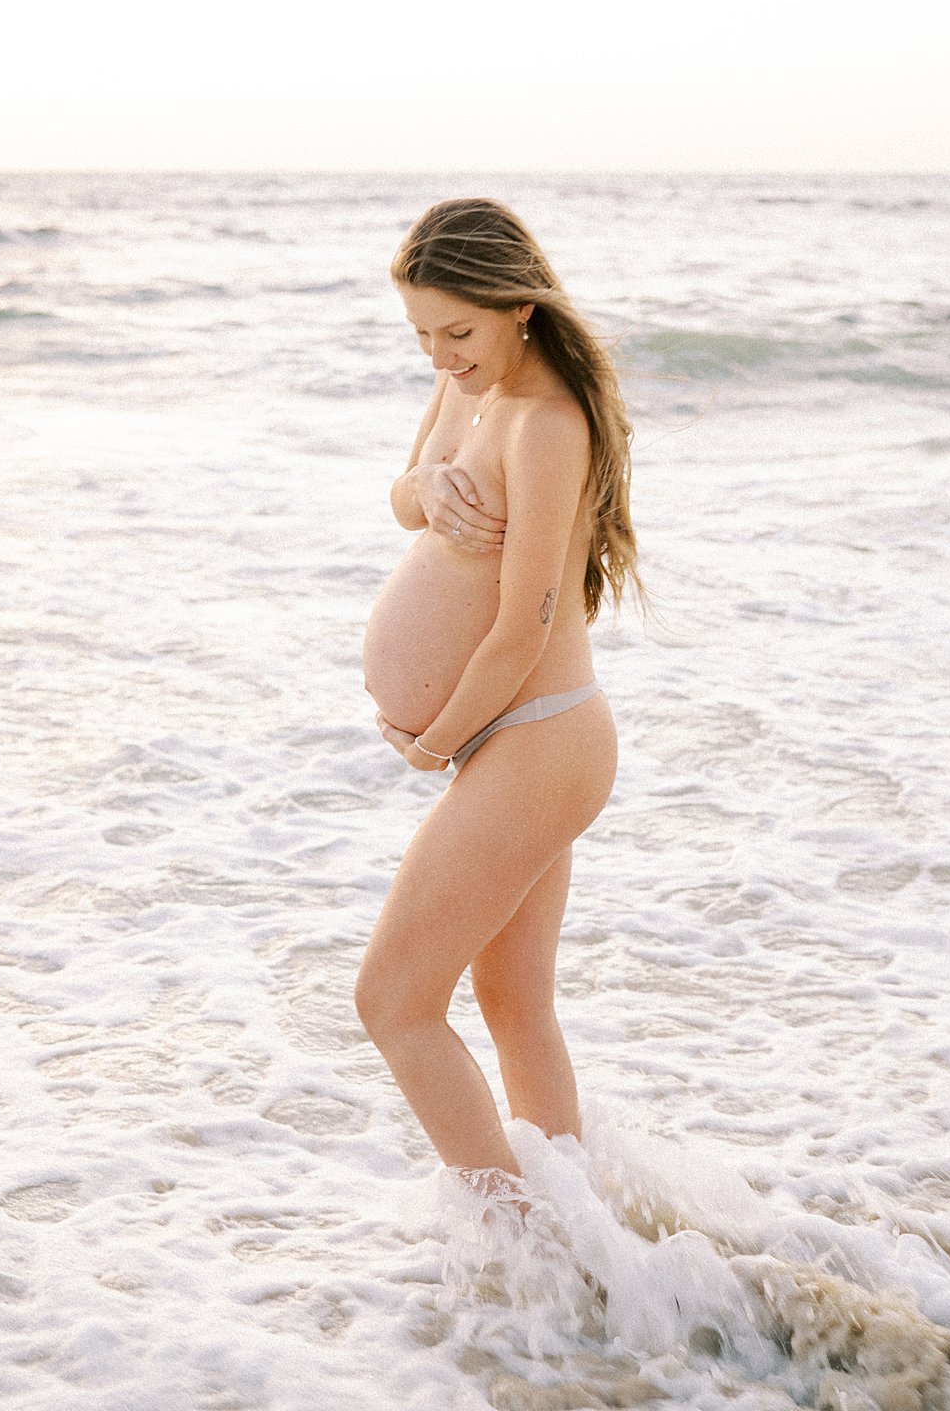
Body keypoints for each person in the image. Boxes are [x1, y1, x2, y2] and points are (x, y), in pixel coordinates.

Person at [355, 197, 639, 1203]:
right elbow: (401, 492)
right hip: (515, 742)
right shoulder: (466, 389)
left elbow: (526, 623)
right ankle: (579, 1240)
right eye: (421, 334)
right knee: (513, 1001)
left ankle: (518, 1242)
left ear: (519, 306)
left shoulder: (547, 422)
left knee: (392, 1002)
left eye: (457, 331)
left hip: (533, 737)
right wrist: (425, 492)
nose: (438, 355)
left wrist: (438, 743)